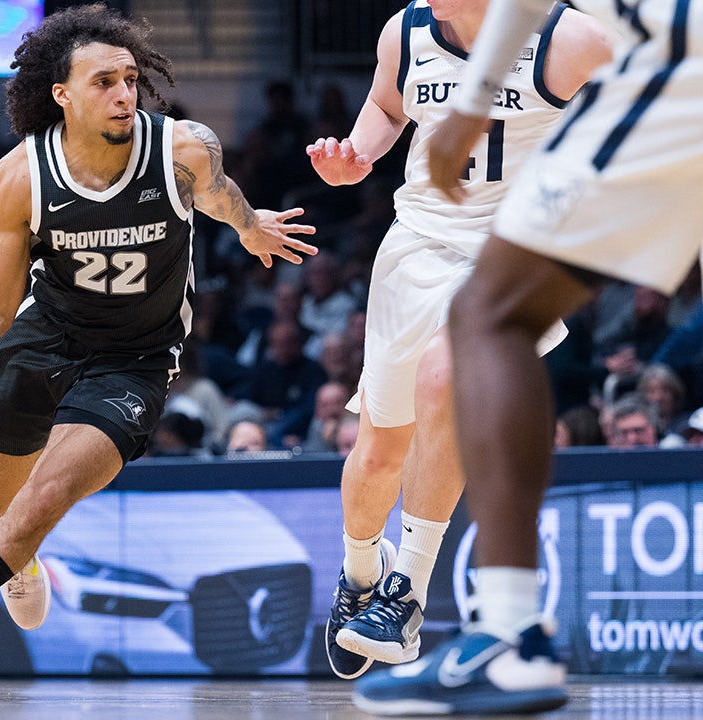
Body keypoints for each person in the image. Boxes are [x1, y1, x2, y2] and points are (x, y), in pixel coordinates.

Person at [0, 3, 316, 701]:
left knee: (45, 497)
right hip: (45, 338)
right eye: (103, 82)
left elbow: (220, 195)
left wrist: (249, 225)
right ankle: (18, 564)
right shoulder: (21, 178)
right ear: (60, 95)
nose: (124, 94)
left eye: (129, 79)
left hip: (135, 359)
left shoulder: (182, 148)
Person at [352, 0, 703, 714]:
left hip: (668, 68)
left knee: (489, 317)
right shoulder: (420, 33)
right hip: (655, 71)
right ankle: (507, 634)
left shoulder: (578, 39)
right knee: (489, 319)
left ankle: (511, 635)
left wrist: (474, 101)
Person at [304, 0, 611, 680]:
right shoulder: (406, 31)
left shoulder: (568, 38)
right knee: (380, 451)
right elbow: (386, 109)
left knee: (447, 375)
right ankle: (361, 571)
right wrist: (357, 155)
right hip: (417, 243)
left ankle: (404, 594)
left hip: (516, 250)